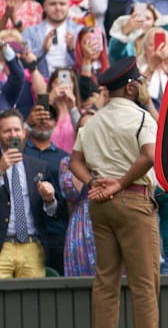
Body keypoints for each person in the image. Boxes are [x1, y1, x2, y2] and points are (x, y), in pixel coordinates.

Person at [69, 57, 160, 328]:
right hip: (133, 200)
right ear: (132, 88)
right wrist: (120, 183)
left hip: (101, 204)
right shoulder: (143, 118)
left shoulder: (92, 121)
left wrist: (93, 182)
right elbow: (149, 156)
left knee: (105, 285)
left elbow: (74, 162)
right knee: (144, 288)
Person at [0, 109, 58, 278]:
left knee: (32, 300)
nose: (13, 134)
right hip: (3, 246)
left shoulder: (39, 166)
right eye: (7, 131)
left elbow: (53, 213)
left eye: (16, 130)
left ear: (24, 133)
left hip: (33, 246)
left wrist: (49, 200)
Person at [23, 104, 71, 275]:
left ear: (56, 122)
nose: (44, 121)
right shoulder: (18, 151)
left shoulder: (65, 157)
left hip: (57, 231)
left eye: (49, 117)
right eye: (39, 117)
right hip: (27, 232)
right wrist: (27, 125)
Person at [59, 110, 96, 276]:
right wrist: (82, 159)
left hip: (108, 220)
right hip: (80, 227)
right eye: (82, 129)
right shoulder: (67, 162)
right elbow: (71, 192)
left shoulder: (112, 159)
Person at [22, 0, 84, 79]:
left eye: (62, 4)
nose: (58, 8)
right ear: (44, 6)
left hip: (72, 85)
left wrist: (72, 50)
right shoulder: (29, 32)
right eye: (53, 4)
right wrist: (43, 49)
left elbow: (88, 64)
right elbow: (24, 62)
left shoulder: (80, 30)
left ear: (69, 6)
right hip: (40, 85)